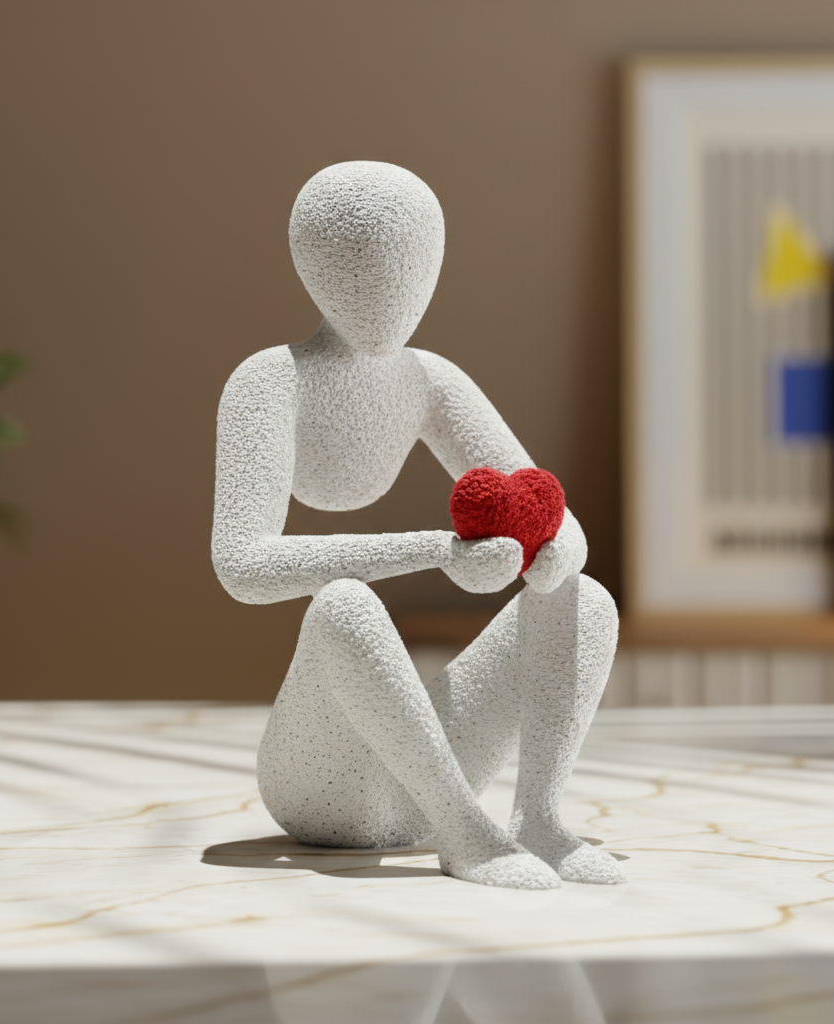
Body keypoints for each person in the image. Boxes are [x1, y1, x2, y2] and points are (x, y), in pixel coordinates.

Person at [212, 161, 621, 889]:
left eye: (409, 269)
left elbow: (565, 527)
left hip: (422, 776)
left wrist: (549, 554)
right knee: (343, 605)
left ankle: (539, 822)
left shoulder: (431, 380)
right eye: (355, 266)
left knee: (584, 599)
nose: (387, 294)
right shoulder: (268, 382)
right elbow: (242, 565)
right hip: (316, 784)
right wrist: (437, 550)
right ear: (311, 268)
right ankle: (466, 836)